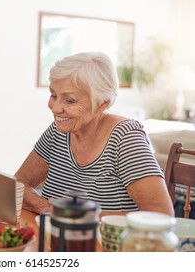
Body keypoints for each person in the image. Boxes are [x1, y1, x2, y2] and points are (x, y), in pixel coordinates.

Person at [15, 51, 174, 217]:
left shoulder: (125, 137)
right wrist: (42, 206)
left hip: (107, 242)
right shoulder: (58, 132)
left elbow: (160, 214)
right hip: (55, 238)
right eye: (54, 95)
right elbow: (17, 184)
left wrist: (74, 216)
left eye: (69, 100)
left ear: (101, 104)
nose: (55, 108)